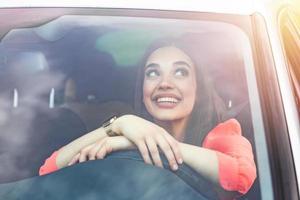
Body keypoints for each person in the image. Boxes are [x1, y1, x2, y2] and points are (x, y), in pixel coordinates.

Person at [39, 39, 256, 196]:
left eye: (180, 72)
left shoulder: (222, 134)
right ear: (142, 90)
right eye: (153, 73)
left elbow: (241, 175)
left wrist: (129, 144)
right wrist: (120, 124)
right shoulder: (126, 130)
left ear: (198, 89)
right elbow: (48, 170)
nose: (164, 83)